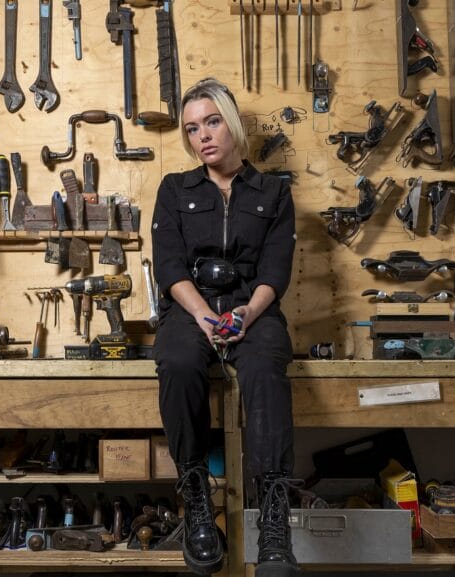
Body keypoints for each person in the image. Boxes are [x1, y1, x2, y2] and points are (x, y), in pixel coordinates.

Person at [151, 77, 298, 577]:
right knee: (176, 359)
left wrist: (245, 315)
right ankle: (195, 499)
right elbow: (168, 268)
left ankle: (275, 520)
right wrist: (203, 316)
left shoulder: (274, 193)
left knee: (264, 365)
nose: (203, 137)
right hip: (192, 307)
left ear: (232, 122)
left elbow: (276, 271)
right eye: (192, 129)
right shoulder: (175, 190)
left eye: (212, 122)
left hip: (251, 306)